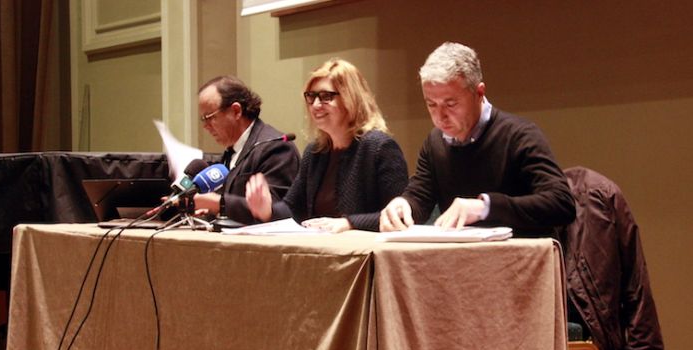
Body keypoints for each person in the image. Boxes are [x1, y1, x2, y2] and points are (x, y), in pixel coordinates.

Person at [379, 42, 575, 237]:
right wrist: (403, 206)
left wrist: (485, 207)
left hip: (520, 259)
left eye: (451, 104)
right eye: (431, 104)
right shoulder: (435, 142)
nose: (440, 116)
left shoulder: (519, 135)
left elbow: (561, 203)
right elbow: (420, 196)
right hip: (462, 259)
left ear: (479, 93)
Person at [246, 58, 408, 233]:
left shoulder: (379, 147)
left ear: (351, 98)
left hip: (365, 254)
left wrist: (349, 223)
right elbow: (293, 209)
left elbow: (399, 216)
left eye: (325, 97)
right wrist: (267, 210)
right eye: (311, 96)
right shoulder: (315, 152)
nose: (315, 105)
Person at [193, 76, 300, 225]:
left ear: (236, 111)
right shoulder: (230, 152)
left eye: (209, 117)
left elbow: (276, 211)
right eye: (203, 119)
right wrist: (211, 211)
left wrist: (220, 204)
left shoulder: (276, 148)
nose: (206, 126)